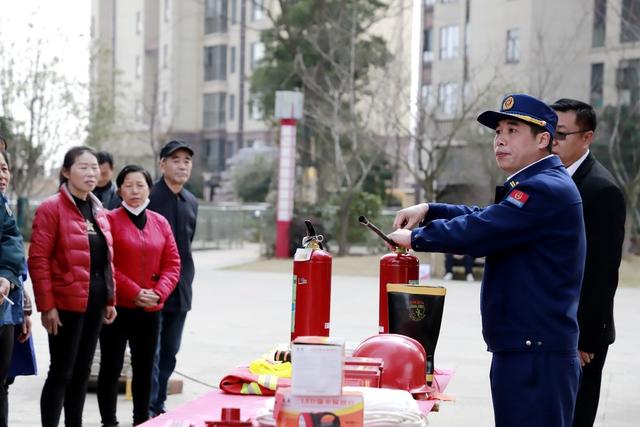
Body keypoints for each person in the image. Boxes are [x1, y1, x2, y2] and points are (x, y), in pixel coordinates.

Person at [388, 94, 585, 427]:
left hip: (535, 353)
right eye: (497, 132)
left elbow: (484, 228)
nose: (500, 139)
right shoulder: (536, 185)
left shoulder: (544, 189)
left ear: (542, 139)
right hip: (526, 348)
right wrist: (430, 210)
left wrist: (419, 237)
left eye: (512, 129)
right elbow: (489, 216)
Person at [550, 99, 626, 427]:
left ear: (587, 137)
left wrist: (585, 339)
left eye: (562, 134)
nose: (551, 140)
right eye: (549, 131)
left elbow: (601, 271)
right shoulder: (548, 178)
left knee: (575, 417)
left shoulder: (601, 190)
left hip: (581, 337)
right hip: (549, 328)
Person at [28, 146, 117, 427]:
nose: (92, 173)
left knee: (82, 372)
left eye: (95, 167)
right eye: (83, 167)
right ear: (66, 172)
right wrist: (47, 306)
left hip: (95, 300)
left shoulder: (99, 210)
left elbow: (106, 260)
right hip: (65, 304)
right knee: (62, 372)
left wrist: (110, 300)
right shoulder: (51, 208)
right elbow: (39, 259)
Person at [97, 165, 180, 426]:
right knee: (110, 369)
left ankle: (141, 420)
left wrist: (159, 293)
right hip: (117, 308)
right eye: (128, 185)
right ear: (119, 189)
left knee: (145, 370)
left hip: (151, 309)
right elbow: (106, 264)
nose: (135, 190)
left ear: (149, 188)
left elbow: (173, 263)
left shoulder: (161, 222)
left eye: (140, 185)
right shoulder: (108, 220)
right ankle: (109, 421)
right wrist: (134, 292)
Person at [148, 140, 198, 416]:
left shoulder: (191, 201)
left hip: (181, 289)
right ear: (162, 164)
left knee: (169, 351)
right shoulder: (149, 197)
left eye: (186, 161)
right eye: (175, 159)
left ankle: (159, 402)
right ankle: (149, 407)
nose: (182, 165)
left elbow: (188, 244)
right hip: (152, 288)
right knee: (151, 353)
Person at [0, 148, 27, 427]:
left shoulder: (3, 206)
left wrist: (8, 277)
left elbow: (12, 242)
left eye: (5, 168)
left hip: (3, 309)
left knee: (3, 383)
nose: (2, 174)